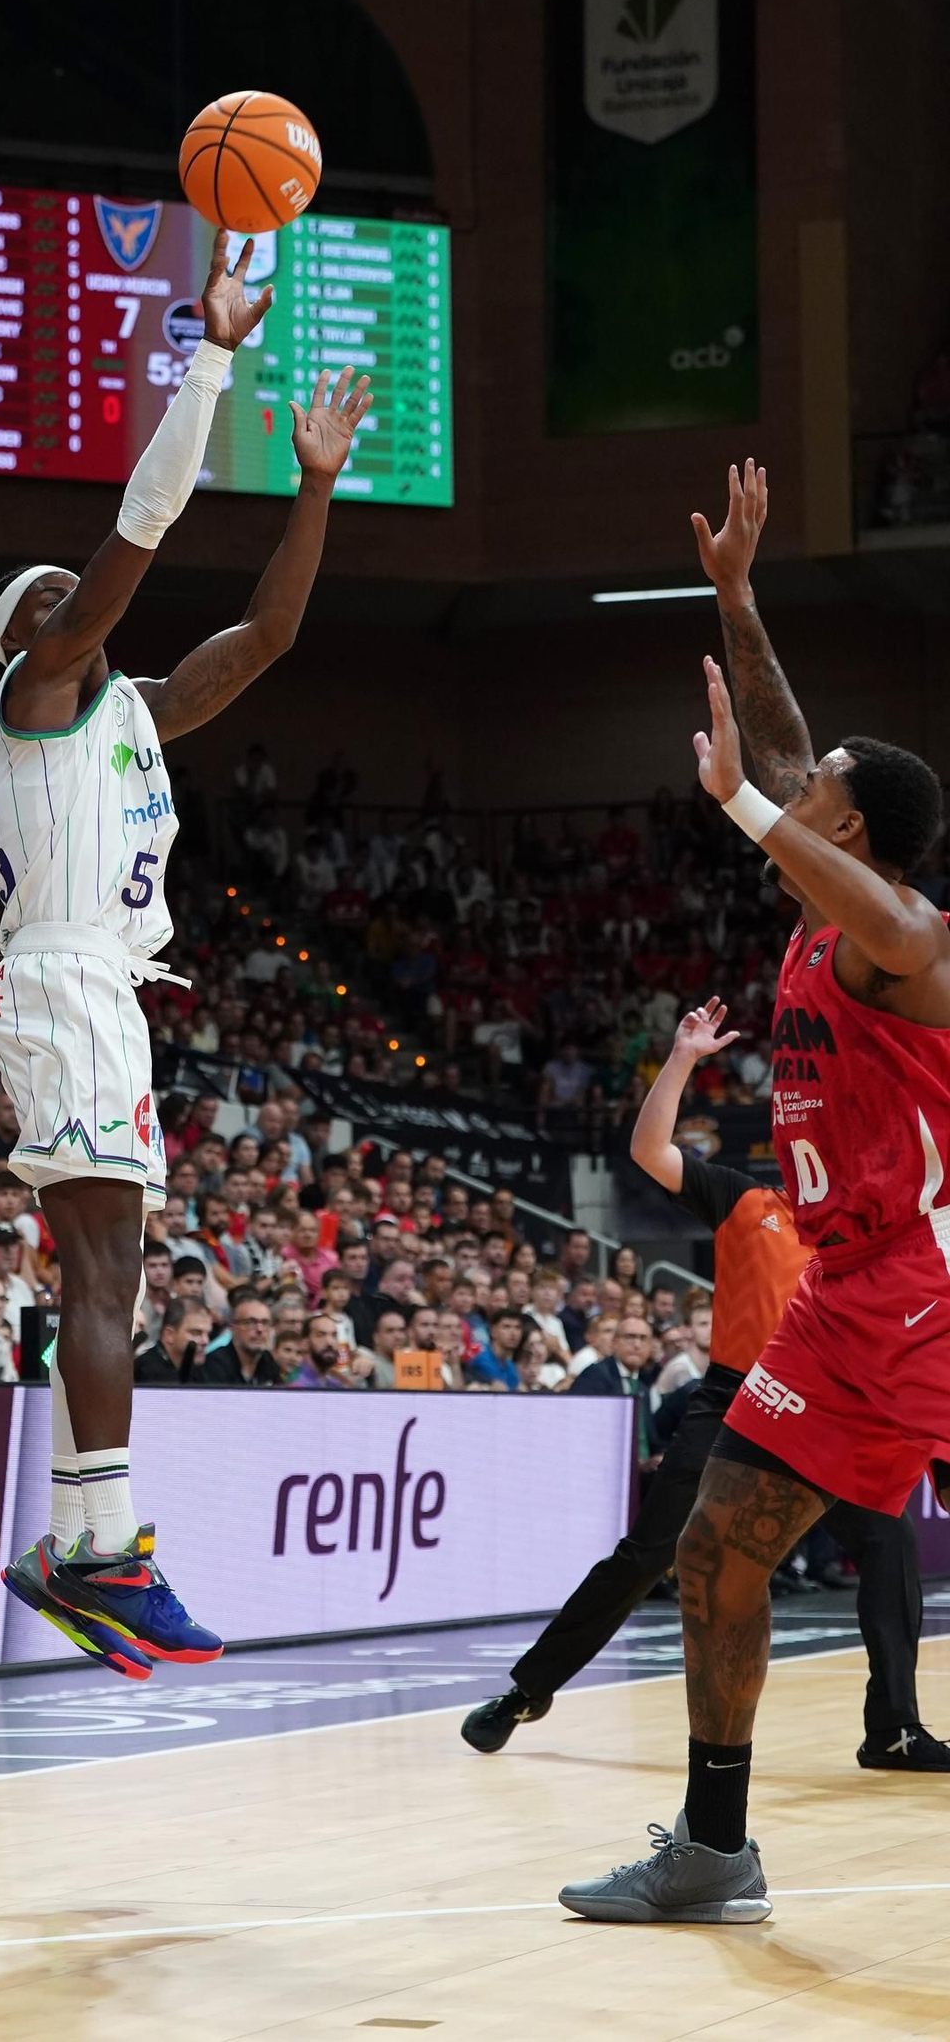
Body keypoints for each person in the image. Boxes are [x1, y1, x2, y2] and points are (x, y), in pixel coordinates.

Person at [0, 235, 371, 1676]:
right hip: (60, 976)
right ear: (28, 639)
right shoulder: (42, 685)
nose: (81, 602)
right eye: (57, 594)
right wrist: (214, 359)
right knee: (106, 1273)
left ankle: (87, 1542)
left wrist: (311, 485)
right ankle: (93, 1552)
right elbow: (144, 523)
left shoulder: (129, 713)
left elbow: (278, 632)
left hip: (96, 987)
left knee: (112, 1268)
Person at [561, 458, 950, 1924]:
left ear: (846, 833)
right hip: (858, 1293)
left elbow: (877, 893)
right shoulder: (831, 889)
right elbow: (790, 753)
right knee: (721, 1540)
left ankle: (717, 1847)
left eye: (819, 797)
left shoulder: (903, 937)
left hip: (913, 1289)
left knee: (729, 1537)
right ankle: (717, 1846)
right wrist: (735, 593)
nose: (800, 789)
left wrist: (740, 809)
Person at [468, 995, 947, 1774]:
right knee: (649, 1550)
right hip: (737, 1404)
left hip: (840, 1406)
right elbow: (649, 1147)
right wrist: (684, 1058)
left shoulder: (878, 1233)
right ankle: (527, 1689)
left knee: (890, 1544)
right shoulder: (744, 1199)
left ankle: (893, 1727)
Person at [196, 1291, 280, 1386]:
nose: (259, 1329)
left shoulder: (267, 1360)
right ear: (233, 1328)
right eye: (250, 1322)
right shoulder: (214, 1364)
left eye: (265, 1323)